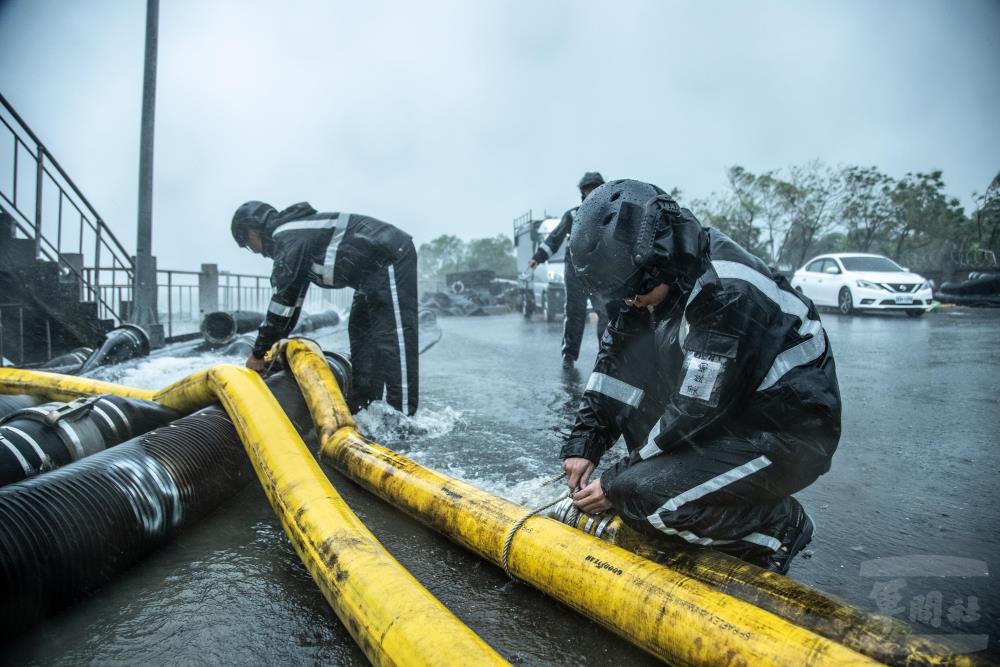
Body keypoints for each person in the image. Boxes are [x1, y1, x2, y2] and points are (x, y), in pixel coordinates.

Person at [559, 179, 841, 574]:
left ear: (659, 261)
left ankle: (776, 526)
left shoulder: (727, 290)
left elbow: (695, 409)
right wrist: (583, 444)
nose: (629, 301)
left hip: (785, 433)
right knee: (633, 481)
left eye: (633, 291)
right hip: (728, 410)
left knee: (640, 497)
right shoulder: (648, 278)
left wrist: (618, 479)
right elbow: (615, 367)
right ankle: (699, 500)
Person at [231, 201, 419, 416]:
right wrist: (268, 349)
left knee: (393, 339)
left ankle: (404, 421)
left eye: (247, 243)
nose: (255, 251)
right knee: (362, 339)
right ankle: (365, 412)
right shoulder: (296, 235)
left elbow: (282, 302)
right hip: (368, 277)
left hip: (390, 257)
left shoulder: (290, 236)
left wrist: (258, 352)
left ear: (253, 228)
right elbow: (291, 306)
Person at [528, 172, 615, 369]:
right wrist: (538, 257)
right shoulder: (573, 215)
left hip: (599, 273)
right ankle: (569, 355)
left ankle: (607, 356)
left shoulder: (610, 213)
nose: (592, 191)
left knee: (605, 312)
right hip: (575, 272)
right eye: (588, 188)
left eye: (596, 187)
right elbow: (555, 238)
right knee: (574, 312)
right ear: (583, 191)